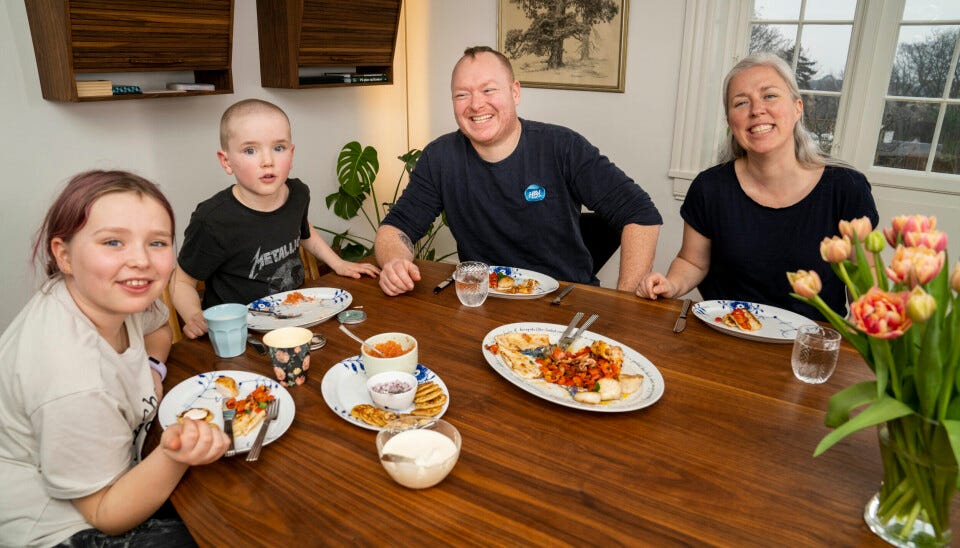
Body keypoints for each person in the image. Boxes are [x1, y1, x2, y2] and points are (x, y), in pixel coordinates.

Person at [0, 170, 230, 547]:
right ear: (64, 255)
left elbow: (157, 329)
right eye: (112, 242)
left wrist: (154, 367)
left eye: (157, 243)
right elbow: (107, 514)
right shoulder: (70, 378)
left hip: (122, 466)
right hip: (64, 527)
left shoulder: (110, 294)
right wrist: (176, 455)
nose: (140, 260)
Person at [374, 46, 662, 296]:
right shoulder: (440, 157)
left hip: (563, 304)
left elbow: (640, 213)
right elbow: (395, 229)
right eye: (462, 94)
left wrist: (626, 306)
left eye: (489, 90)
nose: (476, 104)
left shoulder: (562, 147)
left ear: (514, 92)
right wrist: (395, 262)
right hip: (484, 302)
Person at [635, 53, 879, 319]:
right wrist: (672, 284)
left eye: (770, 96)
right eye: (741, 103)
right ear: (730, 121)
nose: (756, 110)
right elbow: (692, 261)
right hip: (728, 335)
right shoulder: (709, 188)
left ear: (798, 107)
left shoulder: (846, 188)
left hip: (809, 349)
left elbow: (866, 281)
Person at [173, 99, 379, 339]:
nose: (267, 161)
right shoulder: (212, 220)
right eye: (250, 150)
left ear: (291, 155)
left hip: (297, 318)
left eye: (278, 148)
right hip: (243, 335)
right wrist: (193, 316)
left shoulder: (298, 194)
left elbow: (304, 232)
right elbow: (181, 282)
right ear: (226, 161)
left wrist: (338, 264)